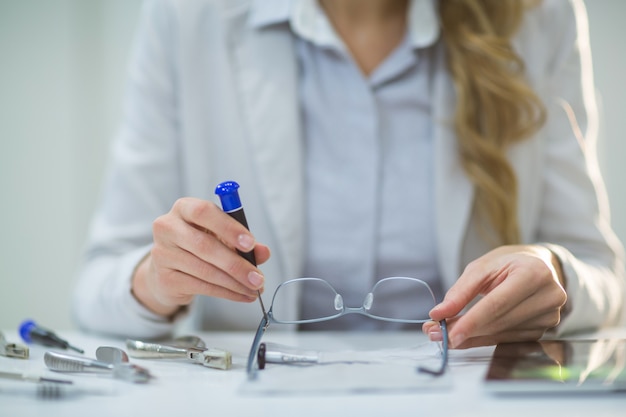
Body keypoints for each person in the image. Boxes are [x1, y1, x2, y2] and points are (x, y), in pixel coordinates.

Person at [72, 0, 625, 349]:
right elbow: (96, 287)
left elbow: (601, 274)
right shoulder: (186, 17)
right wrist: (154, 280)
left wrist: (554, 272)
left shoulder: (538, 15)